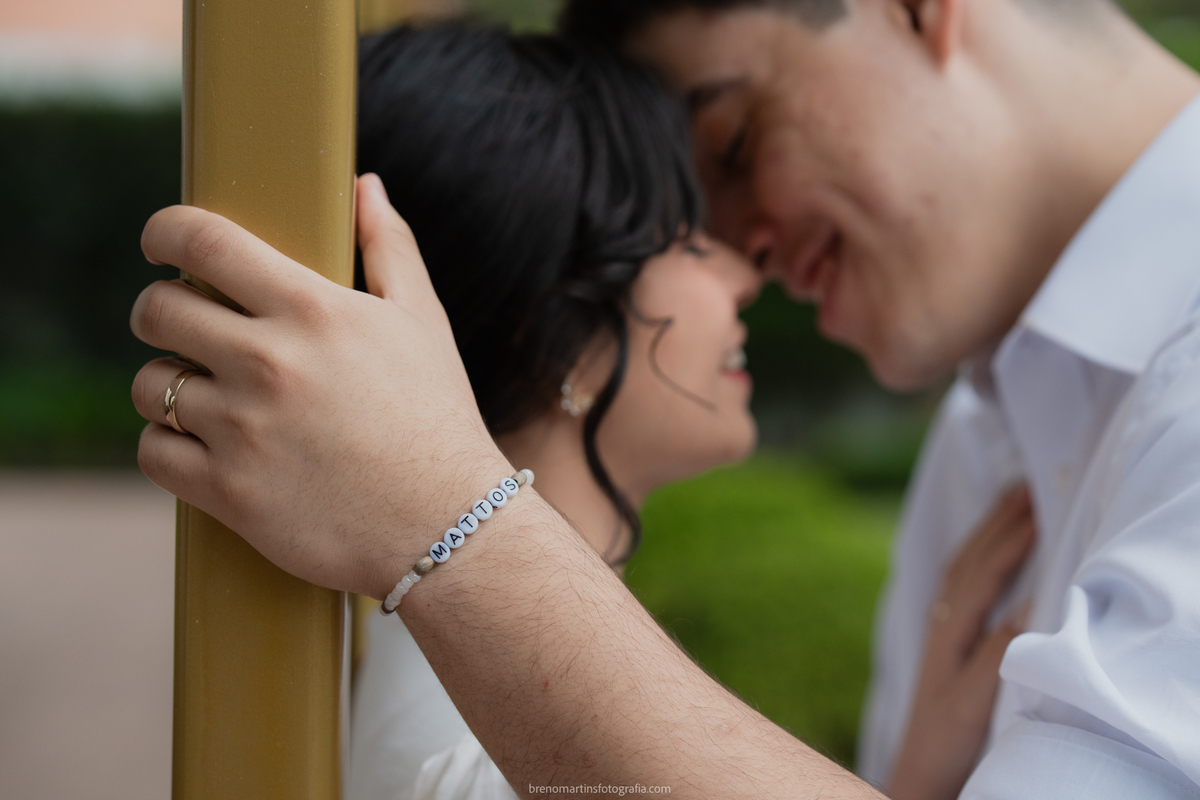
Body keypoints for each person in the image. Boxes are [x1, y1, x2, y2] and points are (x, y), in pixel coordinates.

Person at [127, 0, 1200, 794]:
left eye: (734, 142)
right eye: (681, 221)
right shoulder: (983, 438)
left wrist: (444, 511)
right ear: (559, 318)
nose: (745, 253)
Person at [347, 25, 763, 799]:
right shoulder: (498, 763)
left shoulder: (452, 679)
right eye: (688, 239)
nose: (746, 274)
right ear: (557, 330)